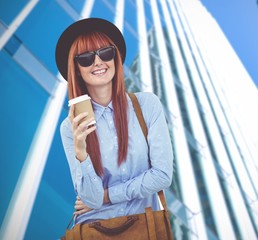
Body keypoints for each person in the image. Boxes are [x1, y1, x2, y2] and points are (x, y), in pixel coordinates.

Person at [55, 18, 173, 225]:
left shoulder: (147, 105)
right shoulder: (69, 128)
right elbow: (90, 198)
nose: (98, 62)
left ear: (115, 58)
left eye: (105, 53)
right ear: (76, 68)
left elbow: (162, 176)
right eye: (86, 58)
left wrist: (107, 195)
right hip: (94, 229)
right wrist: (81, 152)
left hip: (144, 227)